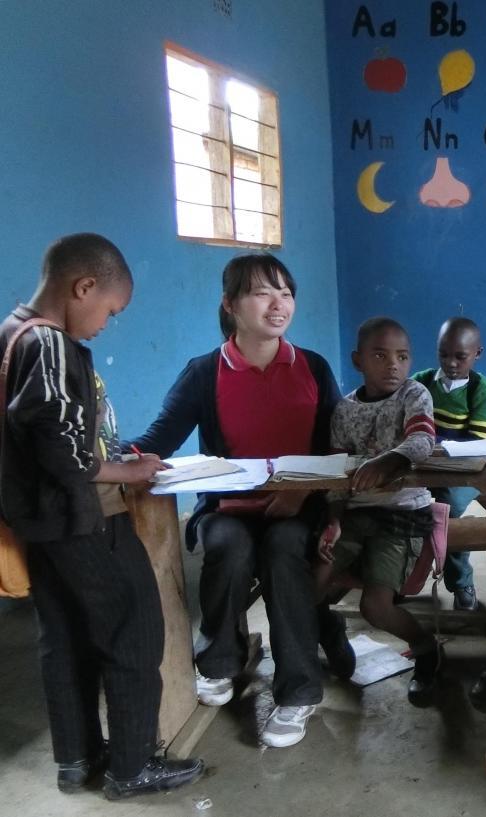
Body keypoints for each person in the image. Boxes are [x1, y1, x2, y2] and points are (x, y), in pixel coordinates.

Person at [0, 233, 204, 798]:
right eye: (109, 311)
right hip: (81, 520)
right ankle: (131, 766)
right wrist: (128, 473)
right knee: (134, 627)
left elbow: (45, 434)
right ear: (82, 287)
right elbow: (60, 453)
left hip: (39, 522)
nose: (107, 324)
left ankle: (77, 758)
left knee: (63, 636)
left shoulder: (11, 333)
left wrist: (113, 454)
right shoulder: (50, 344)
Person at [131, 254, 347, 749]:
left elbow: (336, 447)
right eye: (262, 293)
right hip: (227, 507)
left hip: (298, 508)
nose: (278, 304)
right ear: (230, 304)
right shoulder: (206, 372)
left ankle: (298, 690)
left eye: (286, 293)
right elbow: (158, 438)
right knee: (228, 544)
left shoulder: (312, 366)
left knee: (285, 549)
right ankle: (221, 661)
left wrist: (303, 496)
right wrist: (116, 459)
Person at [317, 317, 444, 706]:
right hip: (355, 514)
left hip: (402, 515)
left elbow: (422, 439)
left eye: (402, 356)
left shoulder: (414, 394)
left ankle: (427, 650)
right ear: (358, 361)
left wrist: (387, 463)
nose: (393, 365)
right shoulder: (344, 410)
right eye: (380, 355)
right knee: (310, 586)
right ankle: (329, 633)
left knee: (376, 607)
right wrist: (334, 518)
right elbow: (336, 472)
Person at [410, 317, 486, 611]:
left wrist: (437, 454)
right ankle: (402, 579)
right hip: (426, 466)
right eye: (443, 354)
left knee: (446, 512)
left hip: (468, 471)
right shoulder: (421, 382)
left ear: (478, 354)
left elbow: (475, 447)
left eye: (460, 356)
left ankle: (462, 583)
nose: (451, 363)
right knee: (402, 505)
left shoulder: (481, 391)